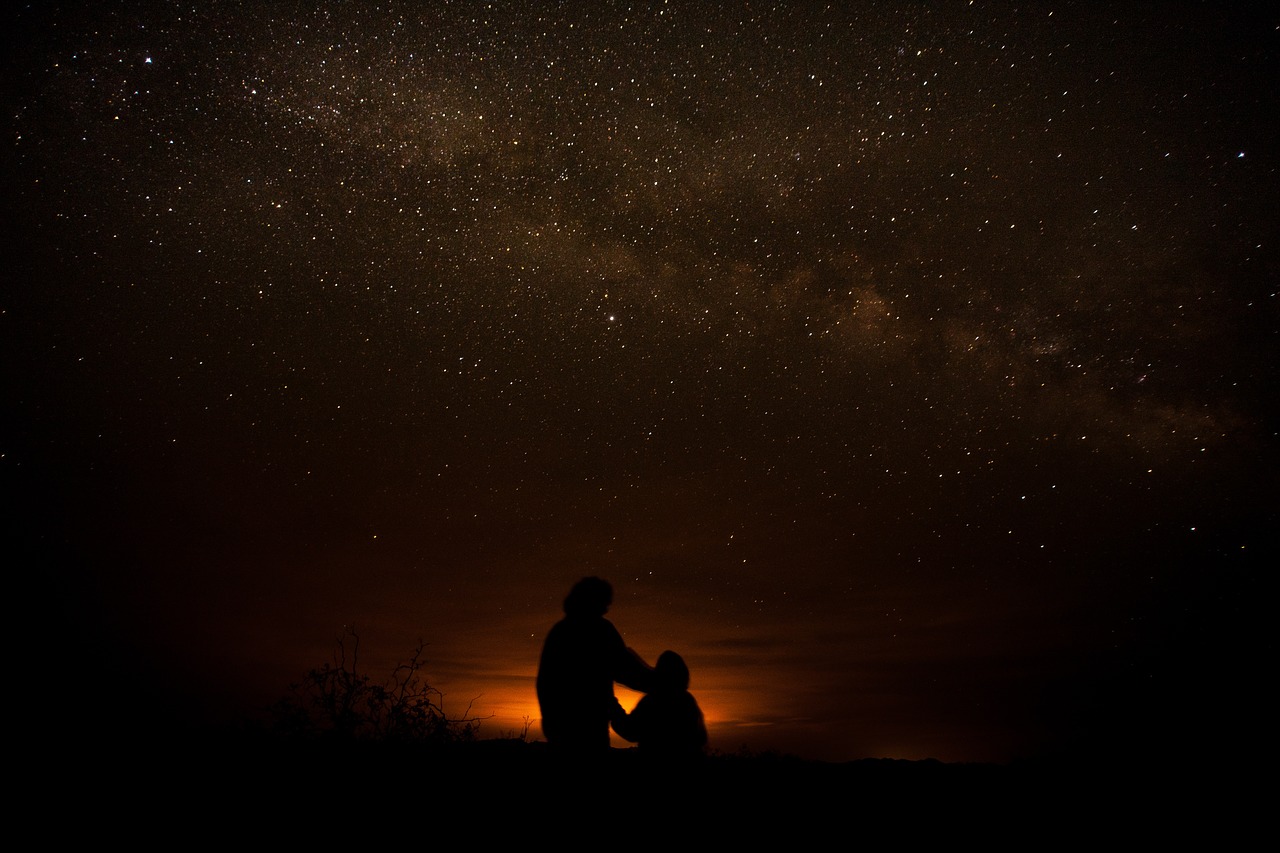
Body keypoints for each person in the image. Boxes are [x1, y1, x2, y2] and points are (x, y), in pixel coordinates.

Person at [536, 576, 655, 754]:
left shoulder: (560, 631)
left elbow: (545, 683)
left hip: (560, 729)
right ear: (593, 600)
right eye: (605, 602)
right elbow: (622, 668)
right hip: (589, 729)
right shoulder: (599, 630)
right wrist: (659, 683)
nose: (607, 608)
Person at [610, 650, 708, 759]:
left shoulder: (653, 701)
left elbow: (631, 731)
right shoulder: (688, 700)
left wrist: (614, 708)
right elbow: (701, 738)